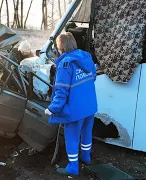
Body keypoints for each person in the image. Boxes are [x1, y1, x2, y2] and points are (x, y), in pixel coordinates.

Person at [44, 32, 98, 176]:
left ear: (60, 47)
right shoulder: (86, 57)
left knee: (72, 137)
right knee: (86, 133)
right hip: (90, 106)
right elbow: (93, 78)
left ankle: (73, 167)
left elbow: (61, 91)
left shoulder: (65, 64)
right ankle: (86, 157)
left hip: (75, 109)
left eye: (57, 46)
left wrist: (52, 109)